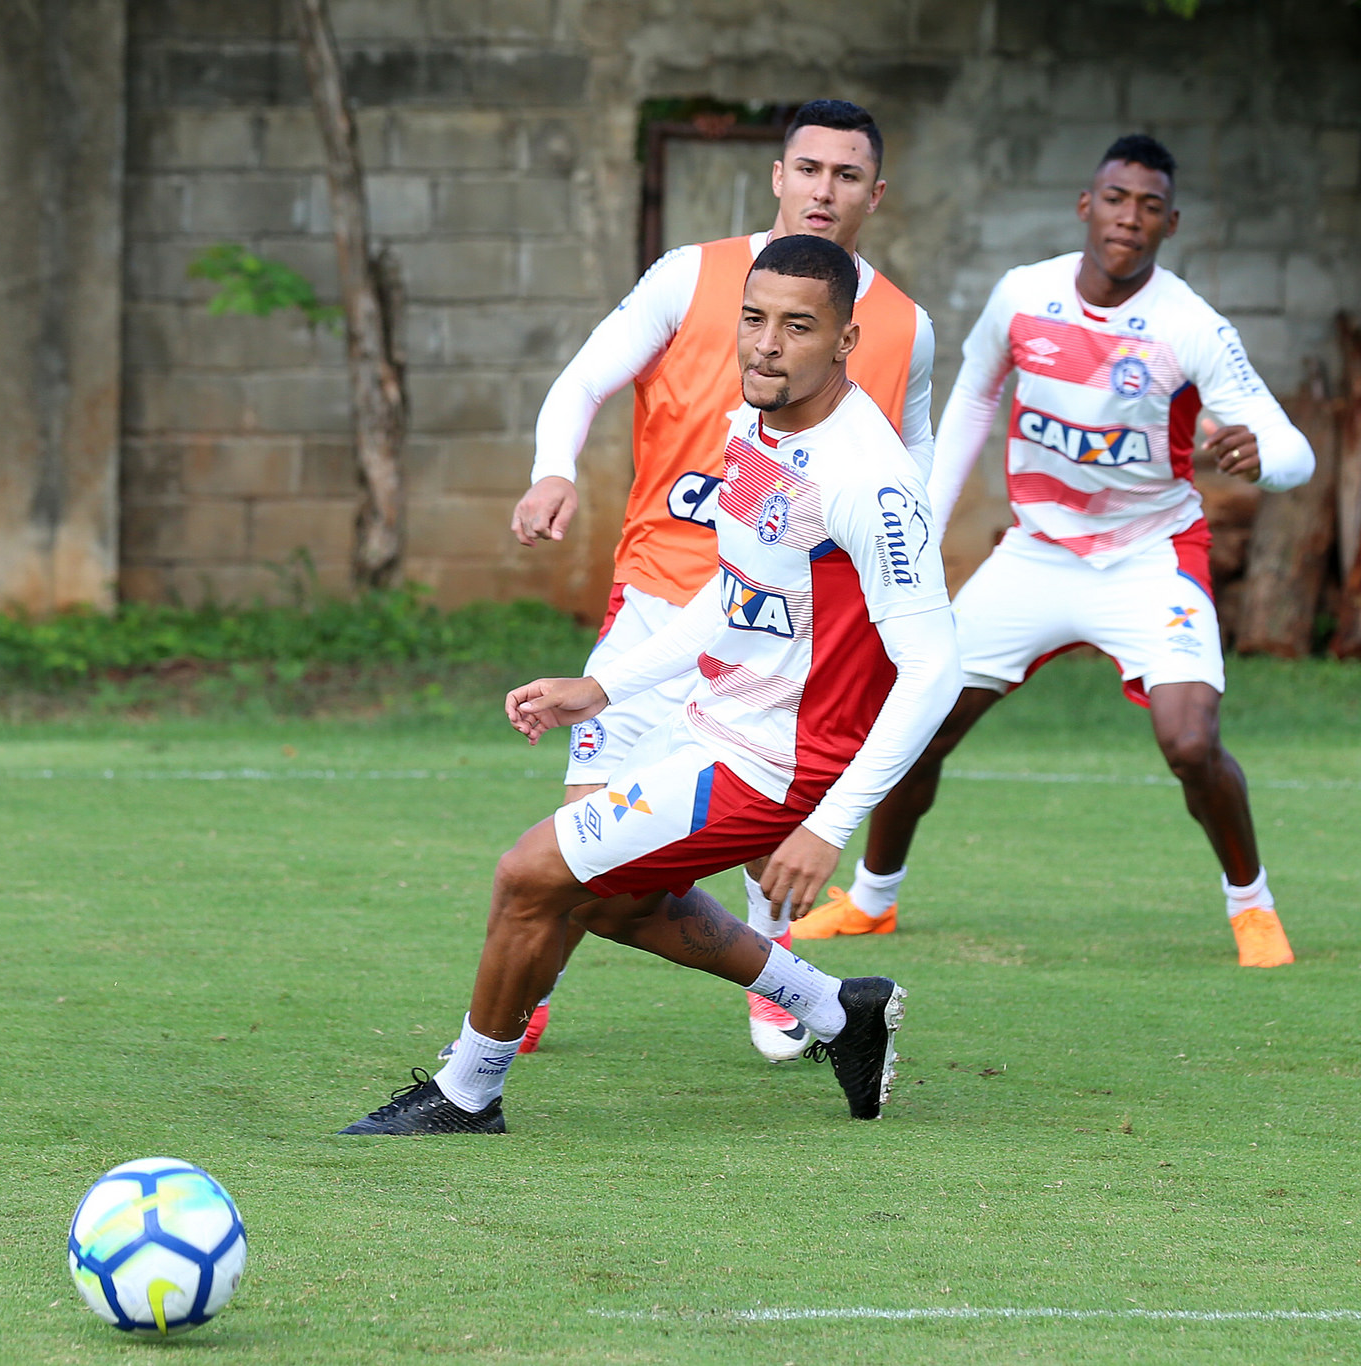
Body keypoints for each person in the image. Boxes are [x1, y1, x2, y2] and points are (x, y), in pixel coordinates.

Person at [343, 236, 960, 1135]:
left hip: (779, 762)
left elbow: (934, 668)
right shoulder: (753, 421)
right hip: (720, 722)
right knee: (615, 900)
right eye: (753, 319)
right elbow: (737, 590)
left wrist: (828, 827)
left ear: (845, 341)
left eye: (798, 326)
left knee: (529, 875)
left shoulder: (868, 480)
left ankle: (465, 1093)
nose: (766, 344)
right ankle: (838, 1012)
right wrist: (604, 688)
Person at [471, 99, 934, 1063]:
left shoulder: (903, 327)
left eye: (847, 176)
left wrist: (894, 556)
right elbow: (583, 378)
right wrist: (553, 467)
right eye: (809, 168)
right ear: (777, 175)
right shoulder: (694, 275)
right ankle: (531, 1008)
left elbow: (910, 466)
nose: (824, 190)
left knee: (718, 845)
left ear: (874, 195)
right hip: (664, 605)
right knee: (579, 847)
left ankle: (790, 989)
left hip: (790, 642)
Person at [816, 135, 1313, 968]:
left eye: (1149, 207)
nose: (1129, 218)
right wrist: (926, 528)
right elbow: (974, 398)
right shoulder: (1024, 296)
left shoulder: (1189, 324)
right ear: (1088, 205)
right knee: (922, 717)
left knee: (1190, 743)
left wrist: (1266, 463)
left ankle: (1251, 906)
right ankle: (872, 901)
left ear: (1170, 223)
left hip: (1151, 556)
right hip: (1036, 554)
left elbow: (1287, 445)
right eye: (1117, 199)